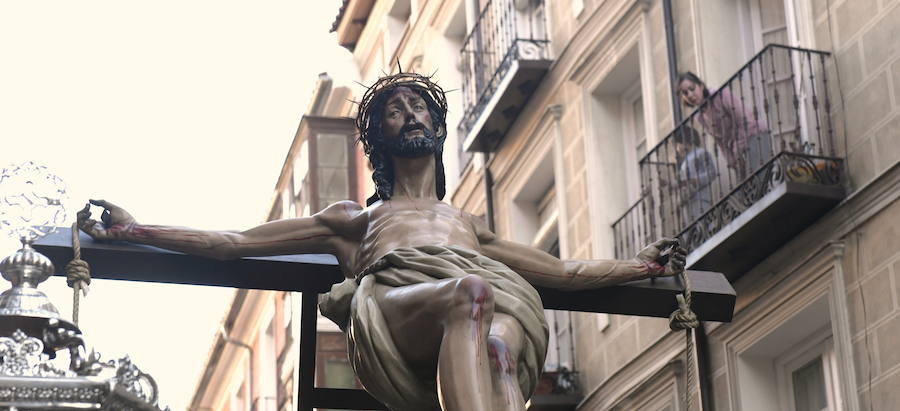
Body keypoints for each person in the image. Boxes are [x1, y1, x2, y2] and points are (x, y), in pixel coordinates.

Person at [77, 72, 687, 411]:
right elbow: (236, 240)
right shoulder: (356, 219)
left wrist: (639, 268)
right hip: (402, 311)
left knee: (500, 349)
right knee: (470, 293)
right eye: (395, 111)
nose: (412, 115)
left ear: (436, 127)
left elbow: (563, 272)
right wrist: (137, 230)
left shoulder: (470, 225)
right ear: (378, 140)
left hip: (481, 302)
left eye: (419, 106)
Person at [677, 71, 772, 182]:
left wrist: (737, 149)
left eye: (692, 88)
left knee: (762, 183)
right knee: (747, 193)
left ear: (701, 86)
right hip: (739, 153)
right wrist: (731, 161)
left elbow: (746, 120)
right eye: (685, 93)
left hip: (755, 137)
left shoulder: (721, 95)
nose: (690, 95)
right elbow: (720, 141)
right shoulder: (699, 117)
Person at [674, 126, 717, 224]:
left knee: (704, 226)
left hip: (701, 199)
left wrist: (695, 180)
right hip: (687, 203)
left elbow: (712, 173)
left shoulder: (701, 153)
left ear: (685, 141)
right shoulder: (684, 163)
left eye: (678, 144)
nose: (677, 149)